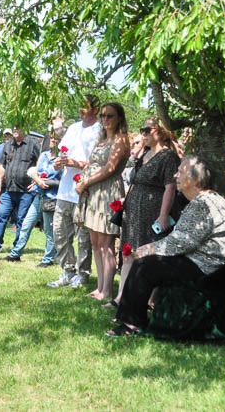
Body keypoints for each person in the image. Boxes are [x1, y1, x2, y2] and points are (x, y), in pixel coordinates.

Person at [107, 155, 225, 336]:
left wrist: (149, 249)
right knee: (147, 263)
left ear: (195, 180)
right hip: (201, 260)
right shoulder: (205, 200)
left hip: (205, 265)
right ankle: (130, 317)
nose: (175, 176)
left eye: (180, 172)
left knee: (145, 266)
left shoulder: (203, 203)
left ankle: (132, 324)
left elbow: (183, 241)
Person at [114, 117, 181, 304]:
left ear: (160, 131)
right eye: (142, 130)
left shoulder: (168, 156)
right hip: (134, 214)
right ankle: (121, 297)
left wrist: (163, 215)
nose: (143, 134)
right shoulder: (145, 153)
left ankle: (147, 300)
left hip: (152, 213)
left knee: (148, 255)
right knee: (128, 253)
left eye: (147, 130)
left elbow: (170, 187)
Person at [75, 102, 129, 302]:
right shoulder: (102, 139)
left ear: (119, 118)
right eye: (103, 116)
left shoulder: (121, 139)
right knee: (95, 243)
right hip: (93, 192)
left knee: (106, 244)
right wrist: (82, 181)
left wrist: (87, 182)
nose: (105, 119)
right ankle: (99, 287)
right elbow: (91, 164)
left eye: (110, 115)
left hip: (108, 191)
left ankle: (107, 290)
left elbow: (110, 168)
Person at [48, 94, 102, 288]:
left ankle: (82, 274)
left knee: (83, 237)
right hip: (65, 190)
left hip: (84, 190)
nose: (81, 110)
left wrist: (76, 163)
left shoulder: (100, 130)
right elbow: (64, 155)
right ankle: (67, 271)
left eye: (84, 107)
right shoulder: (72, 128)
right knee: (60, 232)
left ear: (95, 109)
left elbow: (100, 164)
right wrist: (58, 163)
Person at [2, 131, 63, 265]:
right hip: (38, 195)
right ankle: (15, 254)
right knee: (26, 225)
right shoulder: (44, 155)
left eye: (56, 139)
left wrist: (48, 182)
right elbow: (34, 172)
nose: (52, 141)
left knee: (49, 230)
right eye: (51, 138)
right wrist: (38, 181)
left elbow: (64, 182)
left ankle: (48, 259)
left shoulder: (63, 159)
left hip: (52, 198)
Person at [0, 125, 42, 253]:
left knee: (21, 220)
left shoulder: (32, 144)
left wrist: (36, 180)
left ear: (24, 129)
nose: (15, 130)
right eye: (14, 128)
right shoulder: (8, 145)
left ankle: (17, 247)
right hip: (9, 190)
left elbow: (41, 161)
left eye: (18, 128)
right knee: (0, 216)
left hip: (26, 191)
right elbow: (2, 166)